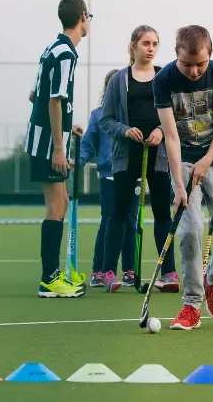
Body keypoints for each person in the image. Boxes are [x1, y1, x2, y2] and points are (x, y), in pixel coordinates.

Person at [153, 24, 213, 330]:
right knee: (190, 233)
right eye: (187, 64)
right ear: (176, 55)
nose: (194, 72)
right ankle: (192, 304)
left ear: (210, 55)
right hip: (183, 163)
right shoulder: (163, 80)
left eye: (200, 64)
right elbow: (172, 138)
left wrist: (206, 161)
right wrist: (179, 184)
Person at [99, 25, 179, 293]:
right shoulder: (118, 80)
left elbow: (176, 116)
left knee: (161, 214)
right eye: (146, 43)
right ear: (133, 46)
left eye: (155, 43)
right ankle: (109, 272)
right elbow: (106, 120)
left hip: (159, 154)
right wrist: (125, 130)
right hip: (126, 154)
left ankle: (168, 273)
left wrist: (160, 131)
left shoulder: (165, 77)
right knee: (119, 213)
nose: (151, 48)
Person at [24, 0, 90, 298]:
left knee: (61, 202)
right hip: (48, 144)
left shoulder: (53, 47)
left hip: (50, 137)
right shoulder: (66, 54)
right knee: (55, 205)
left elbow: (34, 95)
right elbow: (53, 99)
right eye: (89, 17)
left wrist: (67, 125)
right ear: (82, 18)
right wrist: (59, 148)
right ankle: (49, 280)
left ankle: (56, 274)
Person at [80, 69, 140, 288]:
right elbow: (88, 144)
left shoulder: (134, 115)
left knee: (131, 222)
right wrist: (77, 161)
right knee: (109, 220)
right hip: (109, 176)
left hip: (132, 175)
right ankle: (100, 270)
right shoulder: (98, 115)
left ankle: (129, 270)